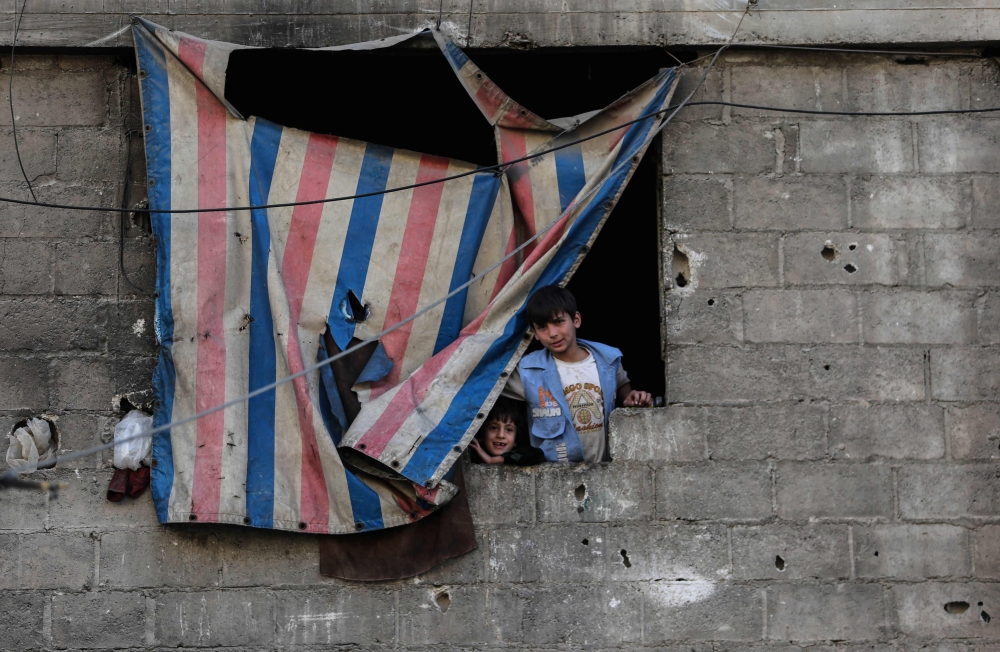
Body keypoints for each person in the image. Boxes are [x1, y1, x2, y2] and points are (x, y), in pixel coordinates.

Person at [503, 285, 652, 463]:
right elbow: (483, 386)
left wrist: (635, 399)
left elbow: (626, 396)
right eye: (542, 327)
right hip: (554, 475)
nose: (553, 333)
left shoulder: (608, 362)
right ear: (534, 333)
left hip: (604, 469)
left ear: (576, 320)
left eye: (558, 322)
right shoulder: (527, 372)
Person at [468, 396, 545, 466]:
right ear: (482, 434)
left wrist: (492, 460)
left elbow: (537, 454)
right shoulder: (471, 459)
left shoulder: (522, 455)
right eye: (494, 428)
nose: (501, 435)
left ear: (516, 440)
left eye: (509, 429)